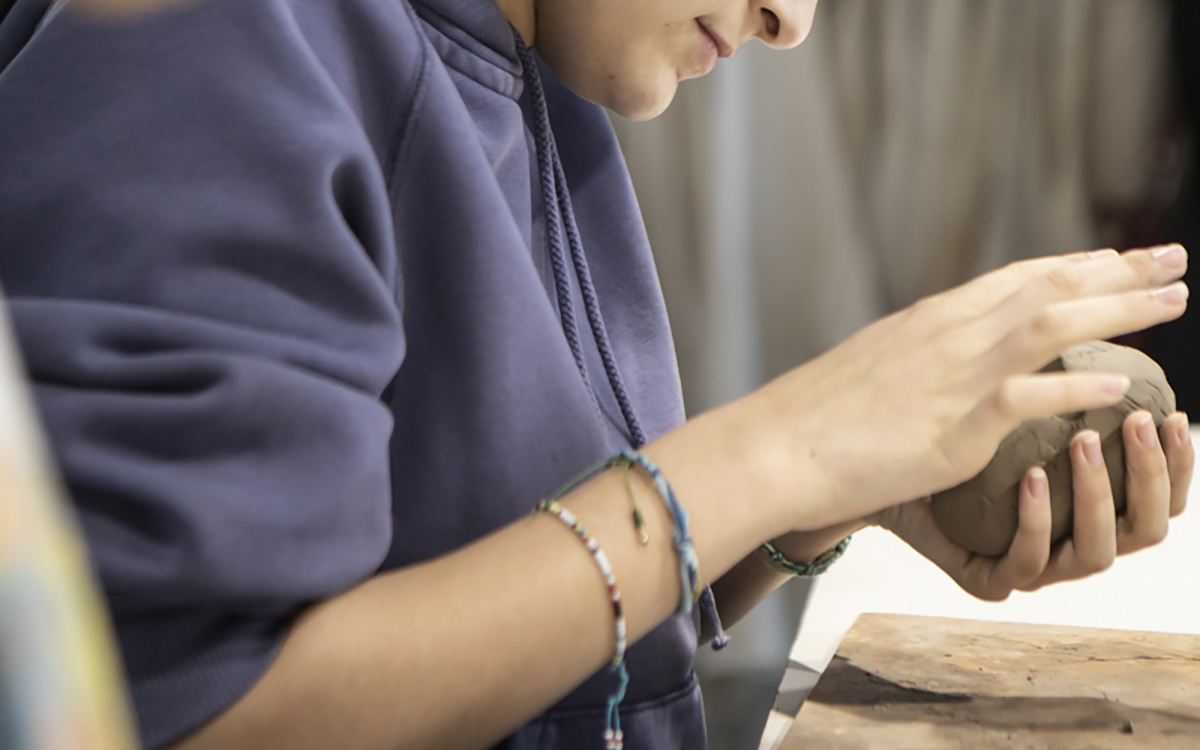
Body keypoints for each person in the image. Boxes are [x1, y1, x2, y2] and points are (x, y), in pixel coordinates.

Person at [0, 0, 1191, 749]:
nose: (794, 20)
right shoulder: (222, 39)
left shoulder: (540, 83)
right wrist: (775, 447)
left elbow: (532, 603)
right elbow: (191, 708)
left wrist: (822, 504)